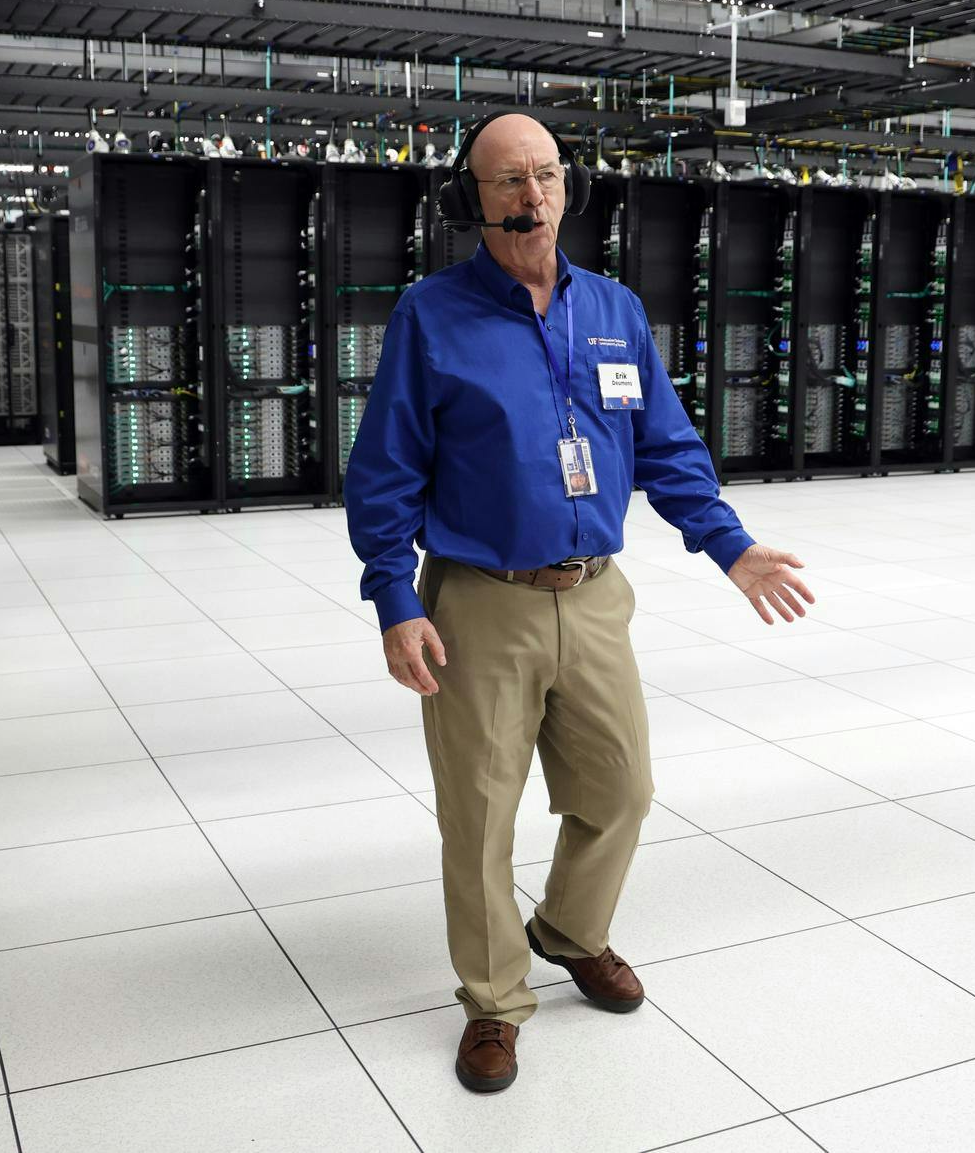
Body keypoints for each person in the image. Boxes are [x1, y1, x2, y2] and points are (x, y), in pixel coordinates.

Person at [344, 112, 815, 1094]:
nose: (529, 196)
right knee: (480, 816)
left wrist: (728, 545)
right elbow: (383, 470)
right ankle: (494, 1001)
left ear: (568, 189)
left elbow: (666, 449)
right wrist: (393, 593)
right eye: (507, 179)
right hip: (478, 597)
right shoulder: (431, 316)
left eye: (545, 175)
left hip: (595, 595)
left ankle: (566, 929)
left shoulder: (611, 309)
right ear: (470, 199)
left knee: (620, 787)